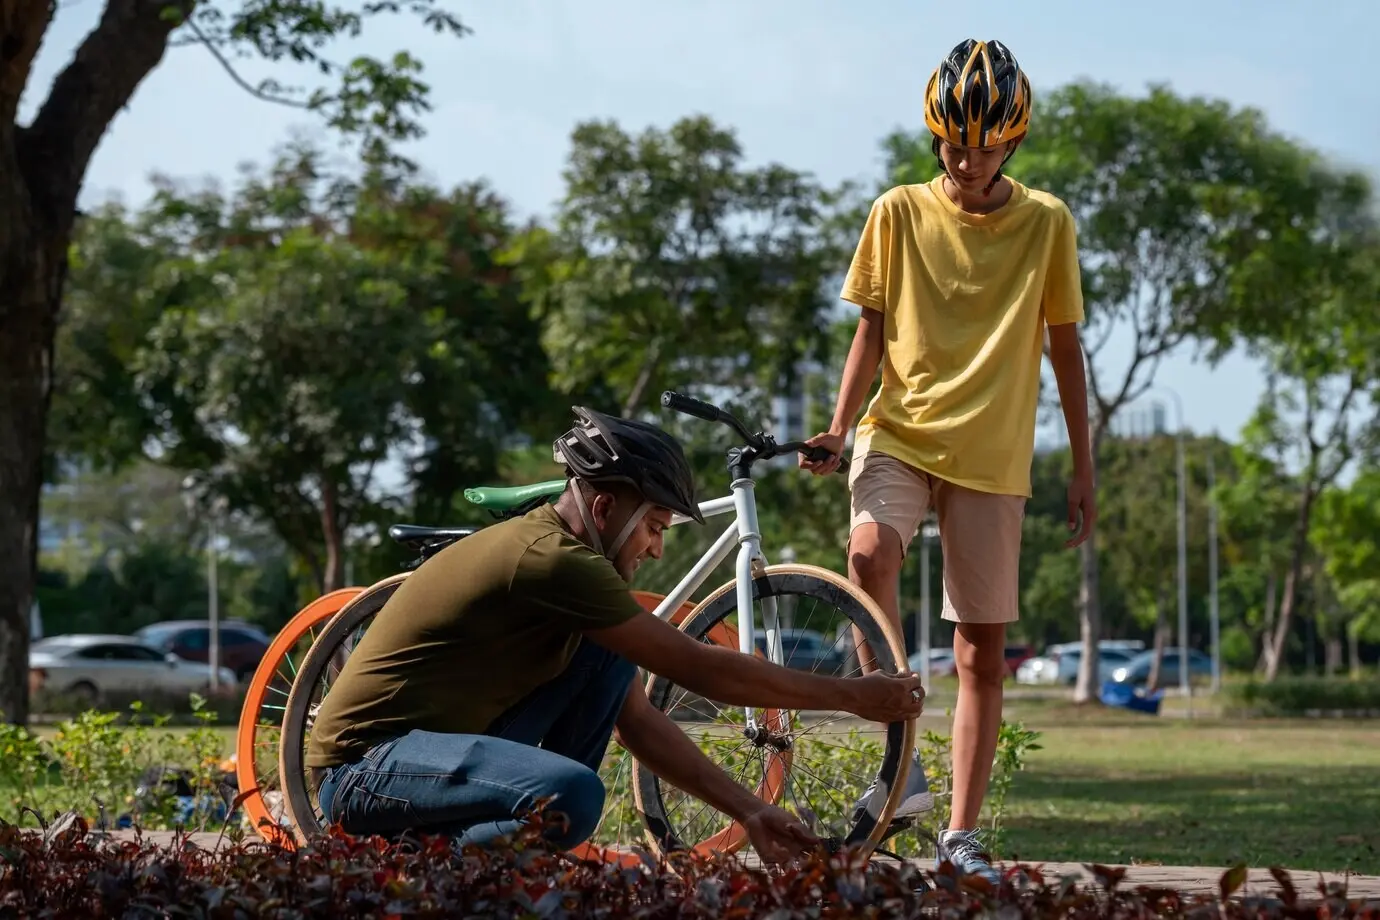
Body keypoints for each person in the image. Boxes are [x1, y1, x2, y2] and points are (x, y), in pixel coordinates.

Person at [305, 405, 927, 866]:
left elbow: (637, 719)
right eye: (654, 526)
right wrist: (852, 695)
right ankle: (433, 868)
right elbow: (702, 669)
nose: (656, 548)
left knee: (602, 673)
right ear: (604, 509)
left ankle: (505, 860)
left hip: (434, 754)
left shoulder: (572, 568)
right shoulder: (551, 559)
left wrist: (753, 810)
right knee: (570, 793)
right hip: (364, 773)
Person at [800, 38, 1096, 883]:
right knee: (866, 554)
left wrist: (1083, 465)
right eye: (955, 145)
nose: (968, 162)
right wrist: (836, 423)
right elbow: (869, 329)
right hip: (897, 430)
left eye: (987, 146)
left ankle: (959, 838)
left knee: (979, 649)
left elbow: (1064, 349)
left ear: (1014, 142)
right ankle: (901, 758)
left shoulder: (1047, 223)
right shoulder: (897, 210)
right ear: (936, 137)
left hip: (991, 451)